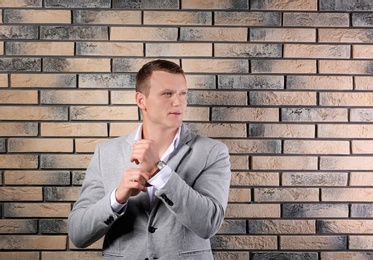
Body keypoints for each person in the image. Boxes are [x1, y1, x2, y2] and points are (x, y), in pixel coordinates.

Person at [68, 59, 231, 260]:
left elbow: (209, 224)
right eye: (167, 94)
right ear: (141, 100)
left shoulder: (212, 152)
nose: (178, 102)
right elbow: (78, 234)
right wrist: (117, 198)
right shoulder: (106, 153)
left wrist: (159, 172)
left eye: (183, 94)